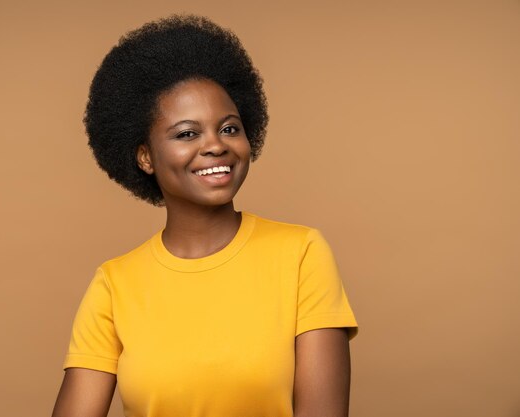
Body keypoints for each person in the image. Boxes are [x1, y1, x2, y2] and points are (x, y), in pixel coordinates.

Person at [52, 14, 358, 417]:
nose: (216, 145)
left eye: (229, 128)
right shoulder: (115, 285)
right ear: (145, 156)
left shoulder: (301, 254)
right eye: (187, 133)